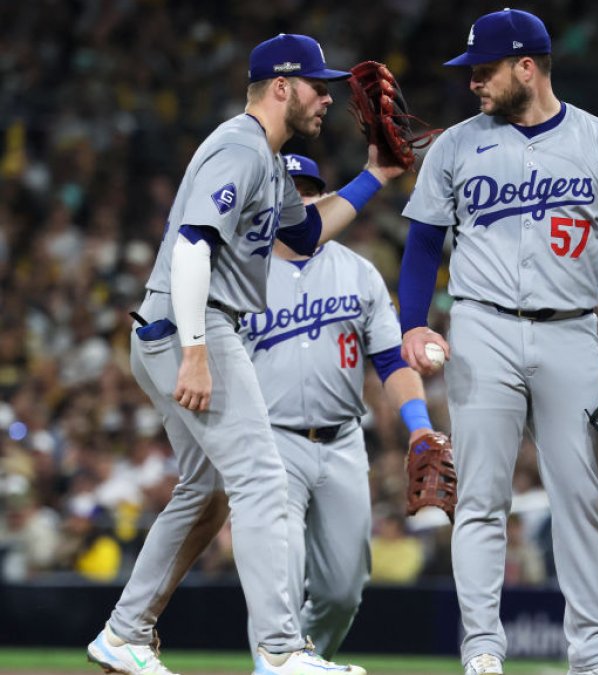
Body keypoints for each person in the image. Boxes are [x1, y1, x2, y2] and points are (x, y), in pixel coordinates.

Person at [86, 34, 405, 675]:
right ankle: (282, 651)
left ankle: (125, 633)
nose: (328, 99)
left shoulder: (264, 156)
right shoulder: (239, 147)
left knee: (208, 490)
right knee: (261, 479)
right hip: (192, 322)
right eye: (319, 86)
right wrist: (198, 350)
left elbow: (308, 231)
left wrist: (377, 176)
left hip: (173, 326)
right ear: (282, 87)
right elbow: (191, 245)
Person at [397, 9, 598, 675]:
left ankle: (595, 653)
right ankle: (483, 648)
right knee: (481, 496)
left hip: (572, 329)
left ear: (528, 67)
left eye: (484, 70)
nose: (473, 84)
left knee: (579, 496)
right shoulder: (457, 146)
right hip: (481, 326)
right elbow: (423, 242)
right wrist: (411, 321)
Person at [237, 154, 439, 659]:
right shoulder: (239, 274)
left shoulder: (358, 272)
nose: (300, 200)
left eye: (309, 190)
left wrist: (418, 427)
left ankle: (305, 661)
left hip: (343, 442)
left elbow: (392, 360)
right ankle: (277, 666)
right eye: (289, 190)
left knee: (342, 590)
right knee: (277, 583)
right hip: (270, 440)